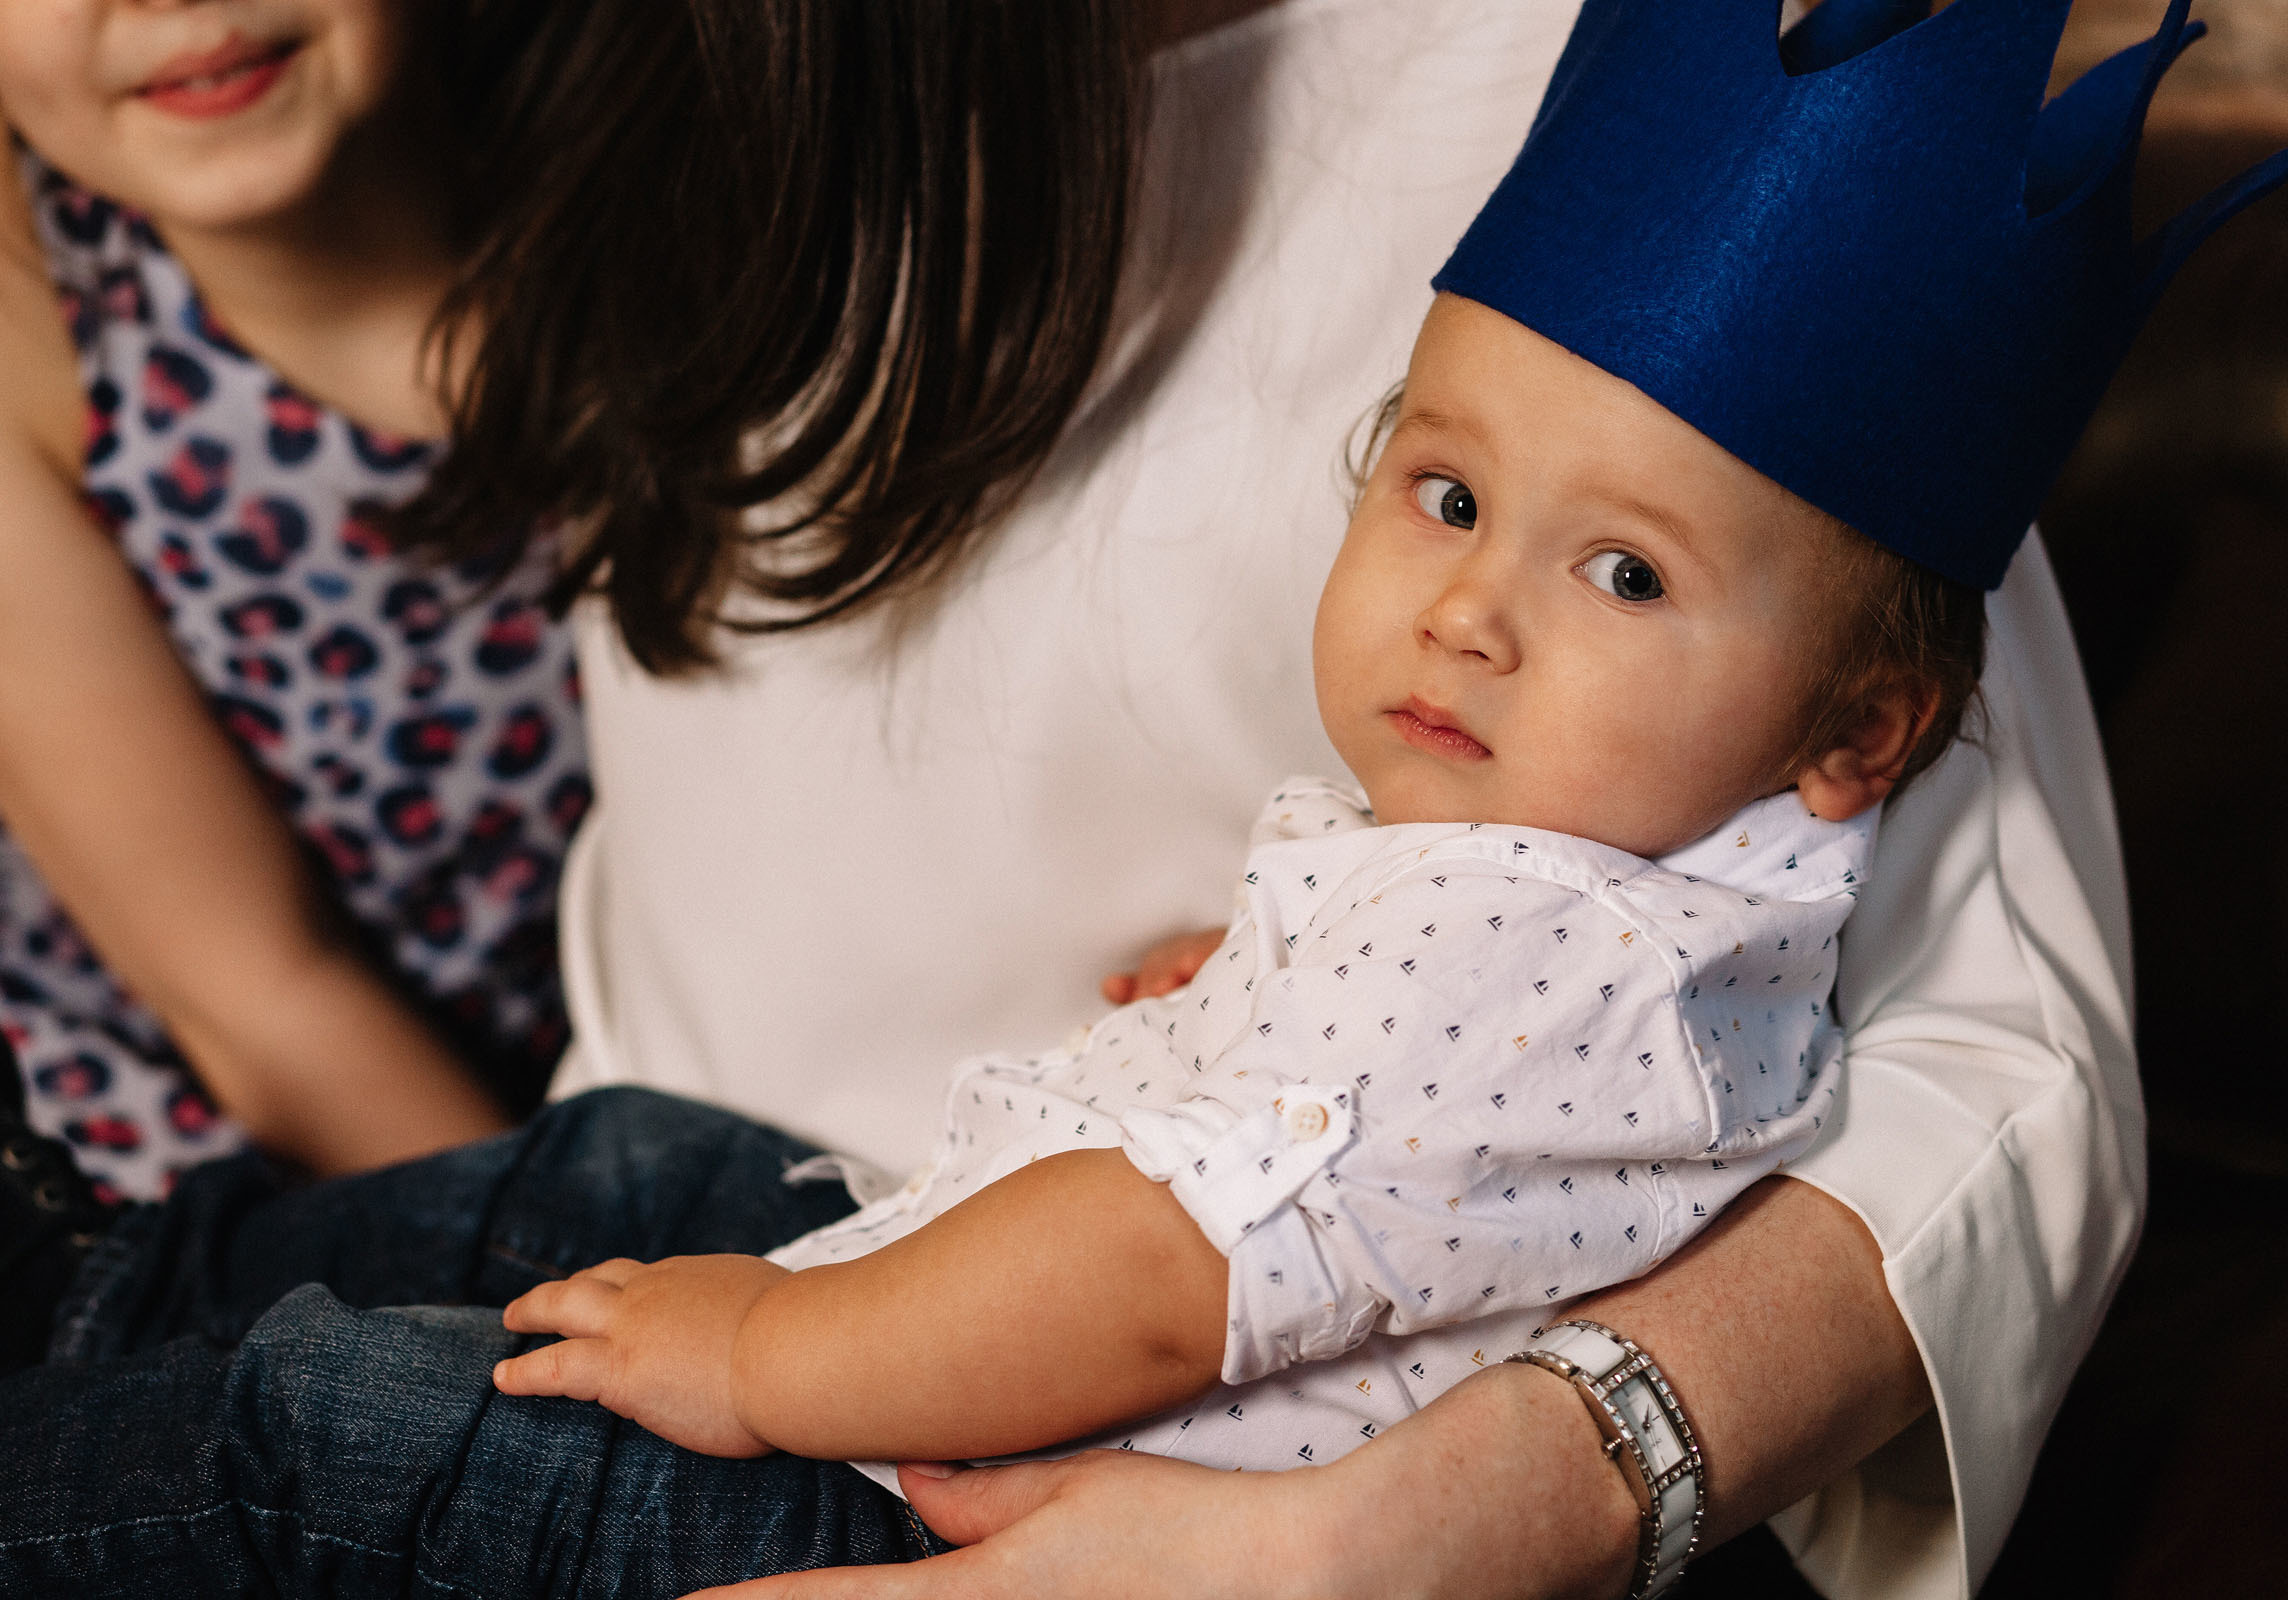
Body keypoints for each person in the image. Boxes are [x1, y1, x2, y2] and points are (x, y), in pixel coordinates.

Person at [0, 235, 1997, 1600]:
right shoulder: (1648, 907)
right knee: (636, 1160)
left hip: (965, 1525)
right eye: (1446, 495)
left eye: (1627, 576)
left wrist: (775, 1351)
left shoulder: (1520, 962)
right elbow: (1437, 1128)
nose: (1473, 607)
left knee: (332, 1427)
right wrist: (1258, 996)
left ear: (1857, 726)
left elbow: (1150, 1267)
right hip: (966, 1353)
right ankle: (74, 1309)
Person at [0, 0, 588, 1227]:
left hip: (649, 1024)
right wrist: (604, 1294)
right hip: (264, 1157)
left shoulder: (633, 172)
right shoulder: (37, 348)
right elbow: (264, 997)